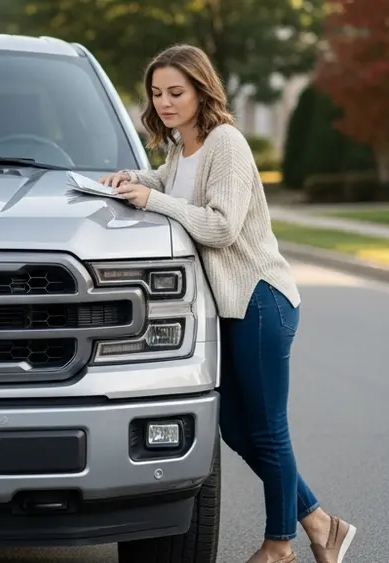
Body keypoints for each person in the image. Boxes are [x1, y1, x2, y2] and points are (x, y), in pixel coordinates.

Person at [99, 44, 358, 563]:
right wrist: (131, 181)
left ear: (200, 90)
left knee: (267, 429)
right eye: (157, 93)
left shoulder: (228, 143)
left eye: (177, 92)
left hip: (260, 298)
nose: (166, 102)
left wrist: (156, 200)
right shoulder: (182, 146)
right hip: (232, 306)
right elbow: (169, 180)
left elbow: (220, 225)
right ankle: (322, 524)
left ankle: (280, 544)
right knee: (236, 428)